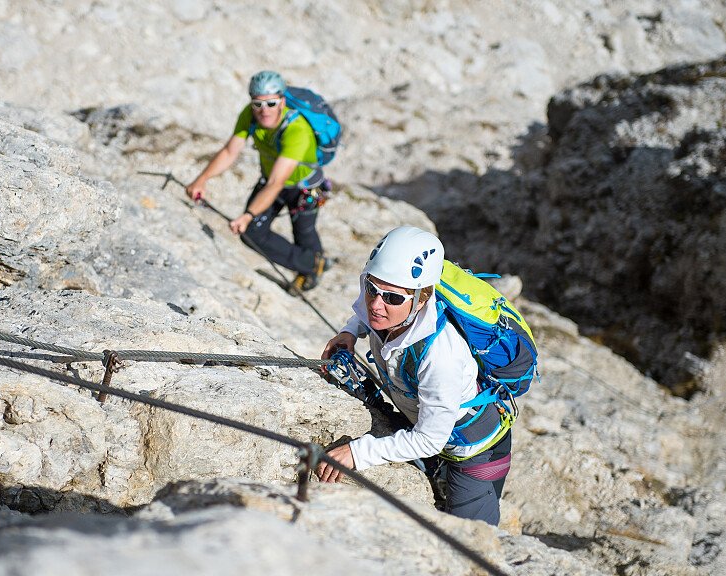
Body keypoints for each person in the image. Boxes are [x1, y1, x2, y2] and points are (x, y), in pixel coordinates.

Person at [316, 226, 513, 525]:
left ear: (422, 299)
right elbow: (365, 312)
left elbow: (430, 439)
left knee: (468, 539)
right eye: (371, 288)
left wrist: (357, 453)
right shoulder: (390, 310)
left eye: (393, 298)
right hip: (427, 422)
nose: (376, 304)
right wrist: (349, 331)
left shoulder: (440, 356)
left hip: (475, 451)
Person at [186, 70, 330, 292]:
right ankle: (313, 264)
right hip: (273, 181)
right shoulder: (250, 115)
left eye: (271, 103)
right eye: (258, 104)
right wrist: (201, 180)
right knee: (252, 232)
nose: (264, 110)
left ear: (282, 101)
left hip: (304, 188)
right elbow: (230, 152)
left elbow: (276, 182)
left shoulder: (297, 130)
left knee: (304, 232)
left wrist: (248, 215)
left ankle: (311, 267)